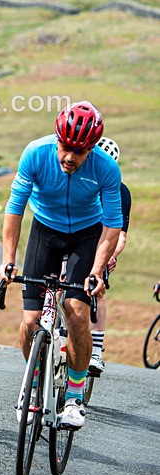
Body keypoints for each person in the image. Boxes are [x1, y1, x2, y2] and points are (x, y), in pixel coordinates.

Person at [0, 101, 123, 430]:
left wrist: (97, 270)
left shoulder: (106, 169)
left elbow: (111, 227)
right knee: (30, 321)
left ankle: (74, 398)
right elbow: (15, 209)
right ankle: (34, 384)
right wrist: (8, 260)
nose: (69, 157)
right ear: (57, 138)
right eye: (65, 147)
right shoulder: (35, 154)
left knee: (77, 310)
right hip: (45, 231)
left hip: (86, 234)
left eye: (79, 151)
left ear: (91, 148)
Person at [88, 136, 132, 373]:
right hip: (76, 238)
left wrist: (109, 255)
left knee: (98, 289)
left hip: (103, 244)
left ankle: (96, 351)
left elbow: (120, 235)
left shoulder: (120, 191)